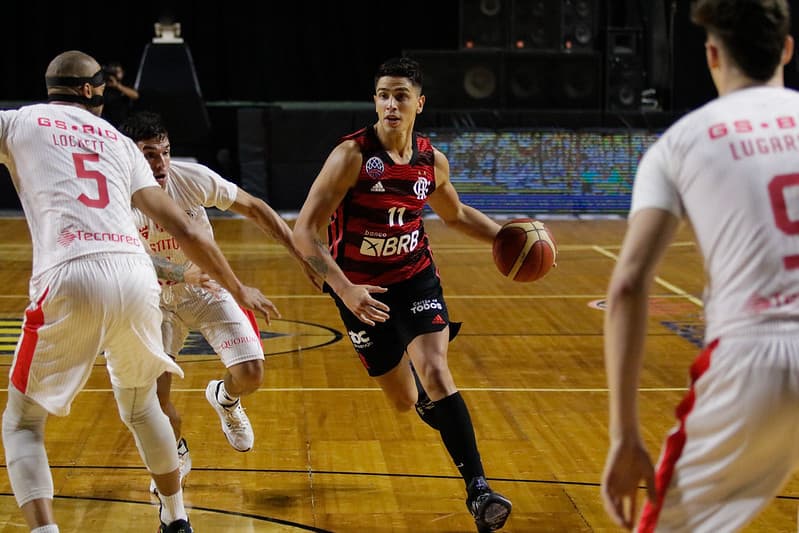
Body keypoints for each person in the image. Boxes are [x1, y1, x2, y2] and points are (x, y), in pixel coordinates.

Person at [0, 50, 280, 533]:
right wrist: (237, 284)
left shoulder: (18, 121)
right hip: (136, 277)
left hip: (70, 271)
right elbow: (187, 232)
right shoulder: (118, 141)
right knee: (142, 403)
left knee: (23, 423)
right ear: (91, 91)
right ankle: (176, 518)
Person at [601, 1, 799, 531]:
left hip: (752, 357)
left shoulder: (680, 143)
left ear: (712, 55)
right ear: (786, 50)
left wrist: (624, 436)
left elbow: (627, 287)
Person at [292, 57, 512, 533]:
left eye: (401, 96)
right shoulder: (351, 156)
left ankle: (478, 490)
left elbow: (453, 215)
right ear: (375, 101)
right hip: (361, 290)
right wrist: (344, 289)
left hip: (415, 278)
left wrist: (503, 237)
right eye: (383, 95)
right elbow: (303, 232)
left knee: (436, 368)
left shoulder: (430, 162)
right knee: (403, 398)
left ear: (419, 103)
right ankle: (431, 403)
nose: (391, 104)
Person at [118, 111, 321, 493]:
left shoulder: (189, 178)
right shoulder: (116, 197)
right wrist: (181, 274)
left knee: (251, 374)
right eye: (149, 155)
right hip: (152, 299)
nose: (160, 164)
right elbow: (128, 258)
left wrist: (301, 258)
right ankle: (176, 450)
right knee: (156, 404)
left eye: (164, 152)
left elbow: (255, 208)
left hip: (204, 287)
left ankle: (224, 399)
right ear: (130, 155)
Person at [101, 60, 139, 127]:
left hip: (120, 120)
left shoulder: (125, 83)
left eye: (118, 72)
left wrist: (117, 85)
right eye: (113, 72)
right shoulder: (104, 82)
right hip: (104, 118)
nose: (115, 74)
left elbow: (135, 95)